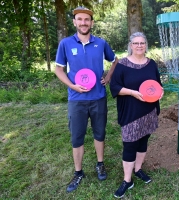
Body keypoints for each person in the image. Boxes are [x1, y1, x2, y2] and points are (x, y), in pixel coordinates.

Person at [55, 6, 118, 193]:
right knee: (77, 137)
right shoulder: (65, 44)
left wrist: (108, 78)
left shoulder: (101, 43)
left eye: (87, 20)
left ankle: (100, 164)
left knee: (100, 133)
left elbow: (115, 60)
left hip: (98, 97)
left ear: (91, 22)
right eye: (80, 19)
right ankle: (78, 172)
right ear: (74, 22)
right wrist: (72, 86)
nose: (83, 22)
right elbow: (59, 69)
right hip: (76, 100)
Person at [109, 32, 163, 198]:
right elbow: (115, 87)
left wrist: (160, 92)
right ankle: (127, 180)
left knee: (143, 141)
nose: (139, 46)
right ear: (131, 45)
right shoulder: (122, 65)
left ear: (145, 45)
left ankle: (138, 169)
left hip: (149, 111)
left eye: (142, 43)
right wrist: (132, 92)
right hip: (131, 113)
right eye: (136, 43)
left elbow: (157, 85)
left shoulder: (151, 64)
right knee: (130, 145)